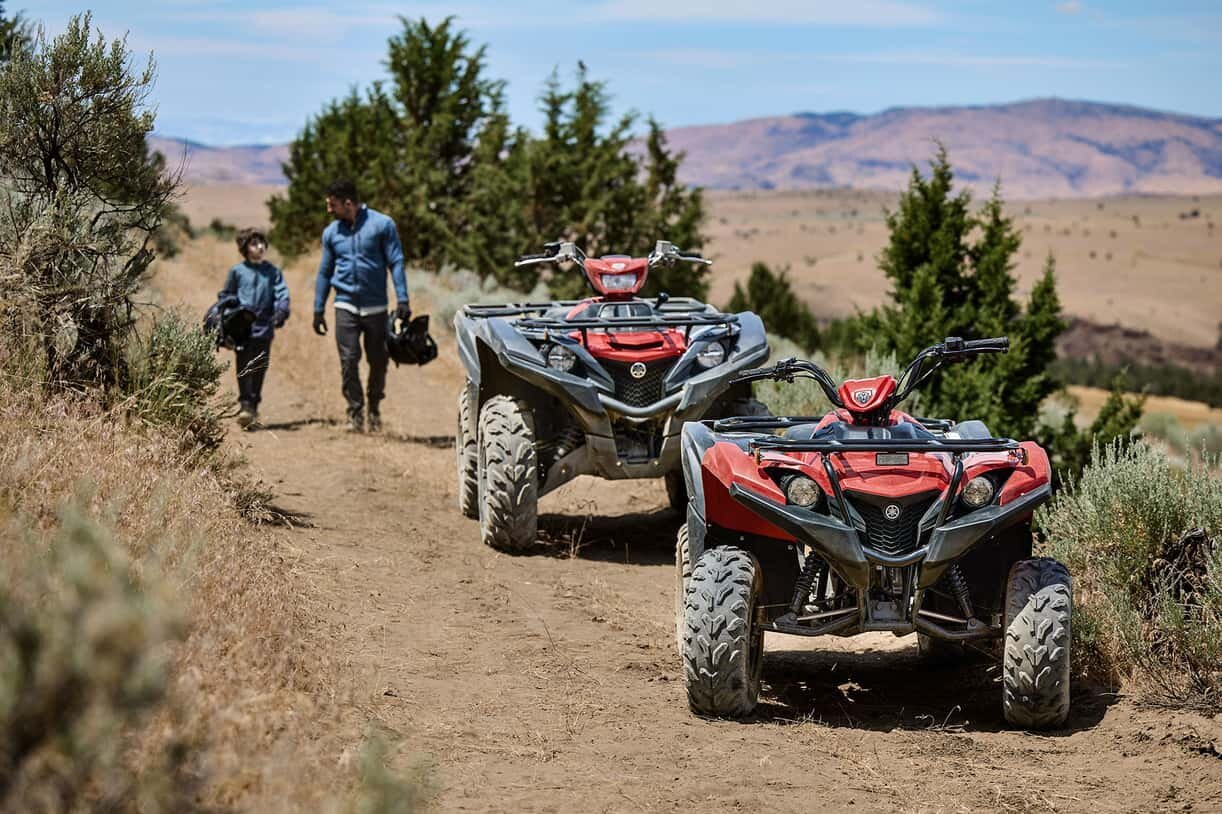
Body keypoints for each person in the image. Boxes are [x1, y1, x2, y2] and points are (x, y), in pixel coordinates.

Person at [313, 179, 410, 433]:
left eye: (332, 204)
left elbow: (396, 261)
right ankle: (355, 413)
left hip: (376, 308)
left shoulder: (382, 224)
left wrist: (402, 299)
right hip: (345, 305)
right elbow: (325, 272)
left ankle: (374, 408)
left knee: (378, 361)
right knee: (348, 360)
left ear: (348, 203)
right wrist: (318, 309)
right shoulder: (331, 233)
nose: (329, 210)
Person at [223, 228, 289, 429]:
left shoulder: (273, 272)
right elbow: (226, 295)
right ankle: (245, 405)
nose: (260, 247)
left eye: (262, 243)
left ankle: (253, 405)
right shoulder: (237, 271)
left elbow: (282, 294)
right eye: (254, 244)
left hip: (264, 326)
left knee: (260, 365)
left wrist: (281, 310)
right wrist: (230, 311)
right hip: (242, 328)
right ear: (245, 248)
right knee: (244, 364)